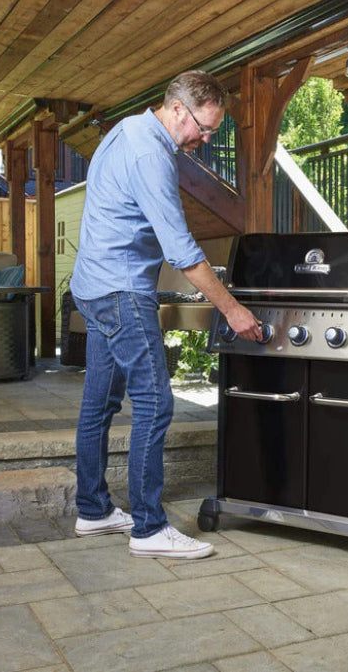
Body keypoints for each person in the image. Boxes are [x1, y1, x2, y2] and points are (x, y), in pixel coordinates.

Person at [70, 70, 261, 559]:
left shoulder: (125, 130)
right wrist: (233, 309)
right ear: (178, 109)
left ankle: (93, 510)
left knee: (99, 404)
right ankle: (150, 530)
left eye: (213, 131)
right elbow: (182, 251)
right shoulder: (151, 153)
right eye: (204, 127)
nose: (205, 138)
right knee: (155, 402)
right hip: (120, 291)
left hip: (92, 286)